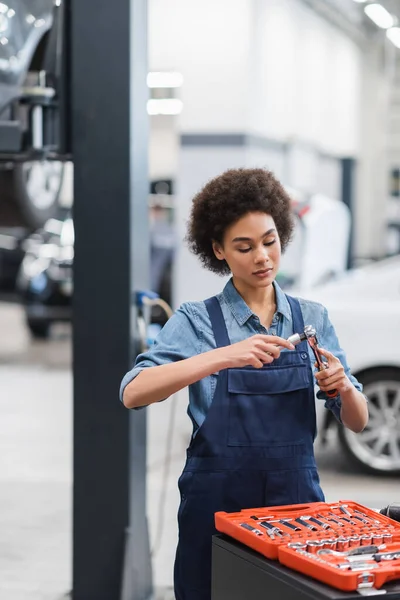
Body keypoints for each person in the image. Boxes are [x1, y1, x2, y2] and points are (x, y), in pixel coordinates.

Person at [120, 168, 368, 600]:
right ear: (218, 249)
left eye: (270, 241)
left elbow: (358, 422)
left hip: (296, 510)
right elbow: (133, 392)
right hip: (214, 508)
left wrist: (343, 387)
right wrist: (223, 356)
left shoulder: (312, 319)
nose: (262, 257)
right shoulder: (196, 321)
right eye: (244, 246)